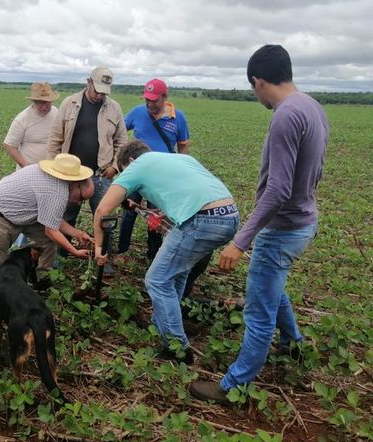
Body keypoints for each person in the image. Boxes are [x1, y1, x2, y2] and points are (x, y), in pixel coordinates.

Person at [189, 44, 329, 406]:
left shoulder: (285, 115)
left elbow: (278, 189)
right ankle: (294, 345)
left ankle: (233, 385)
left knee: (258, 311)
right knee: (273, 287)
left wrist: (241, 240)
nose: (257, 96)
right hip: (304, 221)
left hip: (282, 229)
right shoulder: (312, 107)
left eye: (254, 89)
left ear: (259, 81)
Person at [93, 141, 240, 363]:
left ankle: (177, 350)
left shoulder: (137, 165)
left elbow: (103, 209)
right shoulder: (180, 158)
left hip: (202, 220)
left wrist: (97, 246)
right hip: (229, 216)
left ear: (130, 162)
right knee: (177, 273)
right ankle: (161, 322)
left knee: (157, 280)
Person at [117, 79, 209, 298]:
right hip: (139, 173)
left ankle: (154, 256)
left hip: (162, 180)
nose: (150, 104)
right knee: (128, 211)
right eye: (147, 100)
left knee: (156, 218)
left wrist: (181, 171)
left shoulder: (177, 118)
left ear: (164, 98)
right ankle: (122, 249)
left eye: (154, 100)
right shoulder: (138, 112)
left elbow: (183, 146)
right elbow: (120, 129)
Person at [47, 66, 128, 264]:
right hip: (69, 175)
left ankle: (103, 260)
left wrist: (115, 167)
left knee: (104, 219)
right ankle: (61, 258)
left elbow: (122, 142)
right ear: (88, 82)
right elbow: (55, 139)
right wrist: (54, 169)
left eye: (104, 92)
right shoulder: (70, 103)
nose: (100, 96)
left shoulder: (114, 108)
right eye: (97, 90)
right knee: (65, 215)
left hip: (100, 175)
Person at [0, 154, 95, 272]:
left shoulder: (58, 181)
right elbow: (51, 230)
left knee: (48, 242)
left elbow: (52, 220)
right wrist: (73, 251)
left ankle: (43, 277)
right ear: (76, 184)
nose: (79, 203)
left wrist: (77, 233)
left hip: (20, 213)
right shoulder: (57, 191)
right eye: (81, 198)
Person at [3, 82, 60, 169]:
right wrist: (25, 165)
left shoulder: (56, 112)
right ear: (34, 102)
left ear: (52, 101)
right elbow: (9, 145)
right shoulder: (22, 119)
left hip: (52, 168)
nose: (44, 107)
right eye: (40, 103)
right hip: (30, 170)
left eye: (47, 103)